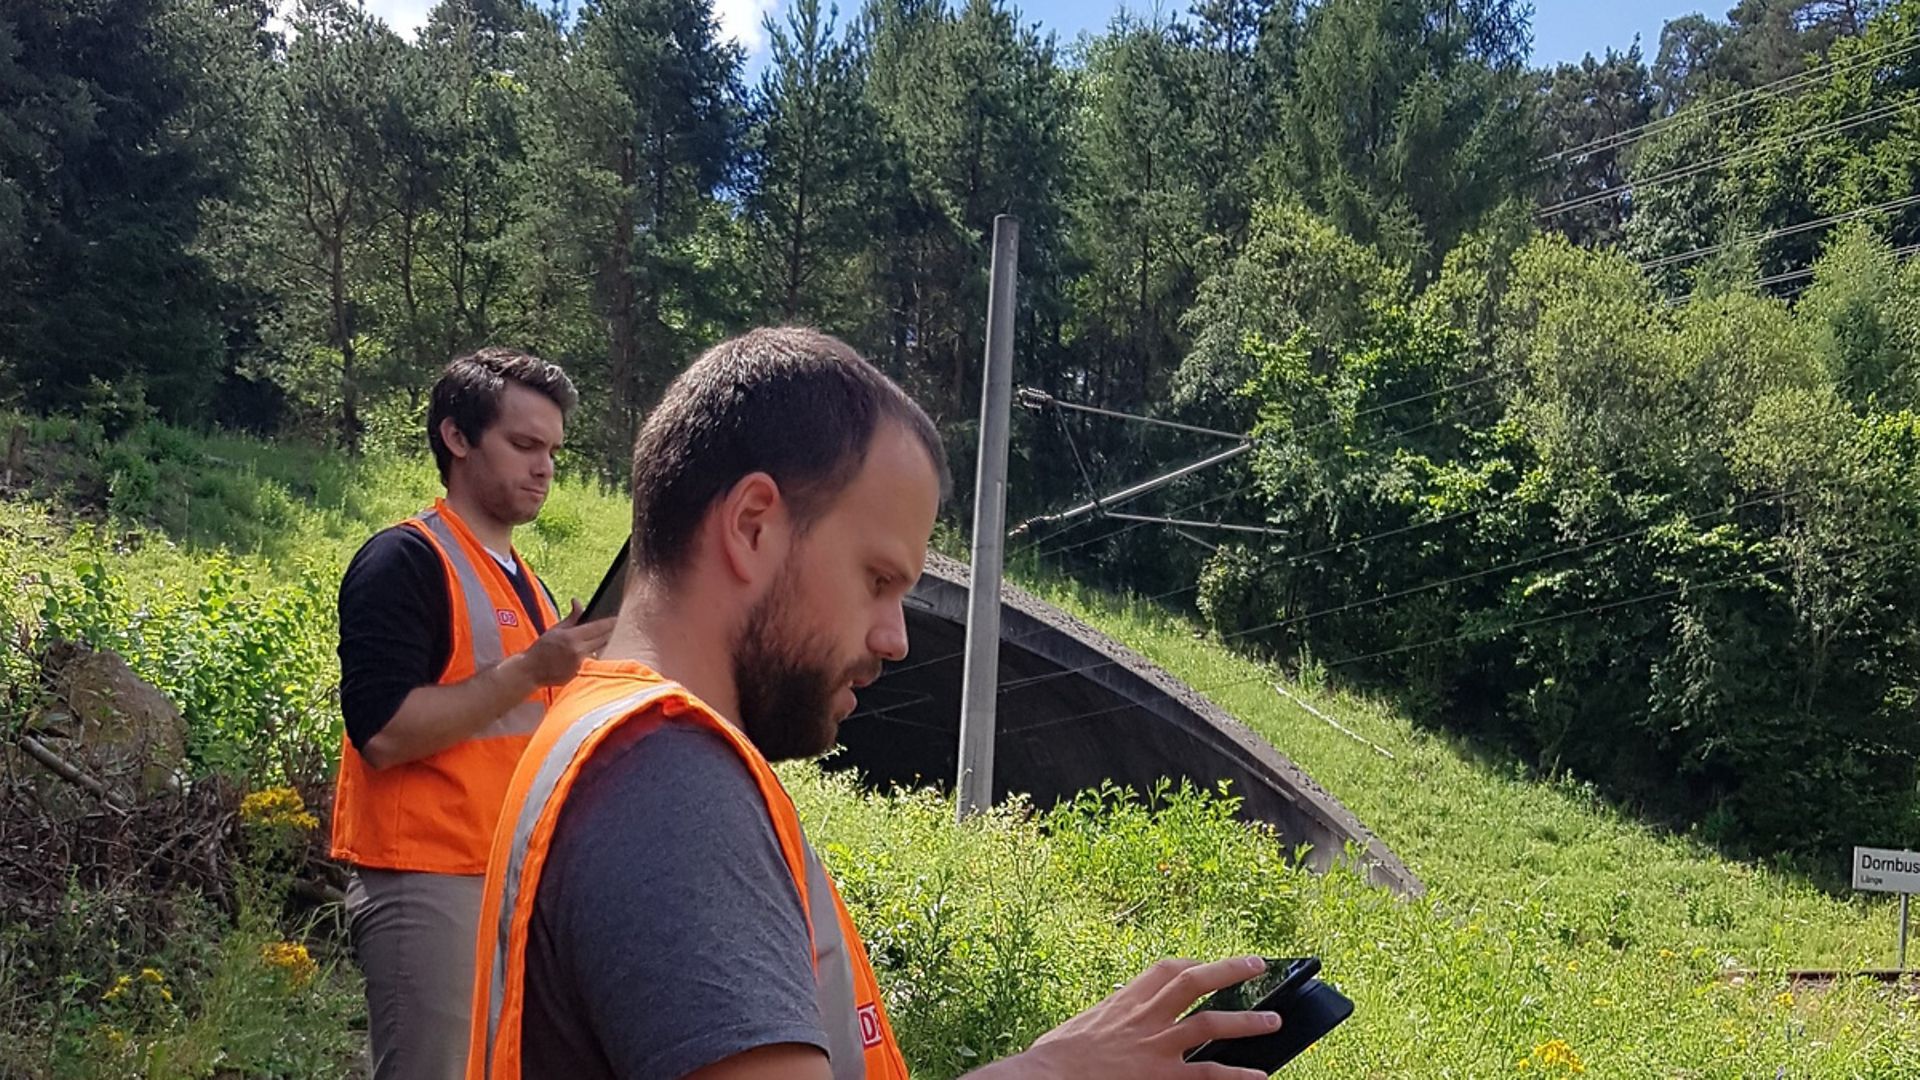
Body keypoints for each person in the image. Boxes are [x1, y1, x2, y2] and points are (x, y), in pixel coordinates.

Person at [466, 327, 1282, 1080]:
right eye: (878, 580)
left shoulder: (594, 728)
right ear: (753, 526)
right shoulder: (667, 786)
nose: (896, 638)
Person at [332, 347, 615, 1079]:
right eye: (524, 445)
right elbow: (384, 733)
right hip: (426, 880)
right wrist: (529, 671)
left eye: (553, 449)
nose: (545, 467)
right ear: (456, 437)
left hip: (511, 883)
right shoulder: (403, 560)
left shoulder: (533, 589)